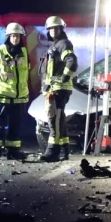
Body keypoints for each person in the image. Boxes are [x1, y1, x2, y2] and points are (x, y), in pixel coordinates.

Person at [0, 23, 30, 160]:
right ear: (8, 37)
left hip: (19, 96)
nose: (15, 39)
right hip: (2, 95)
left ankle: (13, 150)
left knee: (16, 125)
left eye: (17, 36)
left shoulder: (23, 52)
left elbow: (25, 73)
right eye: (12, 36)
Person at [39, 16, 78, 162]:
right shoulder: (54, 46)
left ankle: (52, 152)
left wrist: (63, 78)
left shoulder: (63, 44)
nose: (53, 31)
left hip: (58, 89)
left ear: (61, 29)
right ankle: (63, 150)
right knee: (59, 119)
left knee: (53, 119)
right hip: (55, 88)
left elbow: (72, 62)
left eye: (56, 28)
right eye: (51, 28)